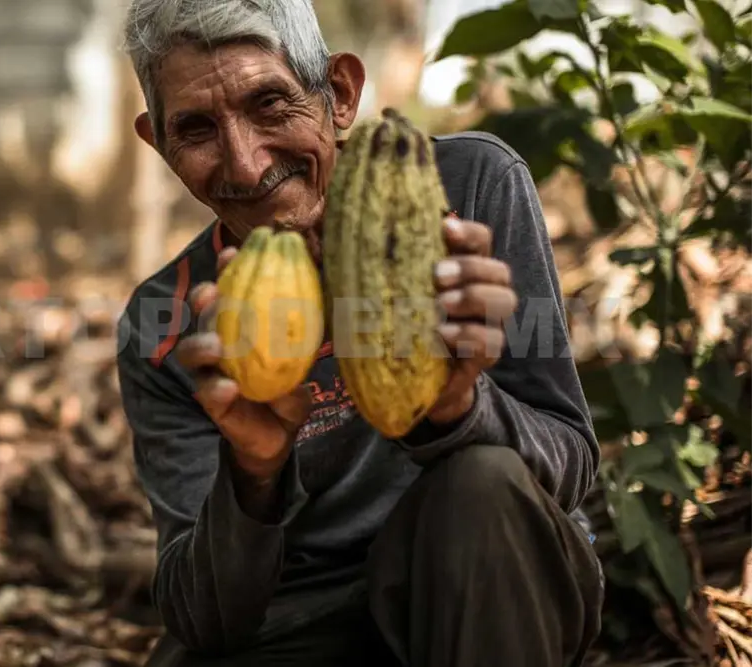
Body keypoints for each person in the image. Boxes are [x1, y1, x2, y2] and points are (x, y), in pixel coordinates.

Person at [114, 1, 605, 665]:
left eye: (269, 104)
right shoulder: (166, 321)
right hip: (303, 623)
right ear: (158, 142)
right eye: (197, 129)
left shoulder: (463, 190)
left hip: (485, 587)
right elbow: (201, 614)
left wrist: (457, 409)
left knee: (481, 485)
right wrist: (253, 474)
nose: (245, 164)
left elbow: (571, 465)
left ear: (338, 94)